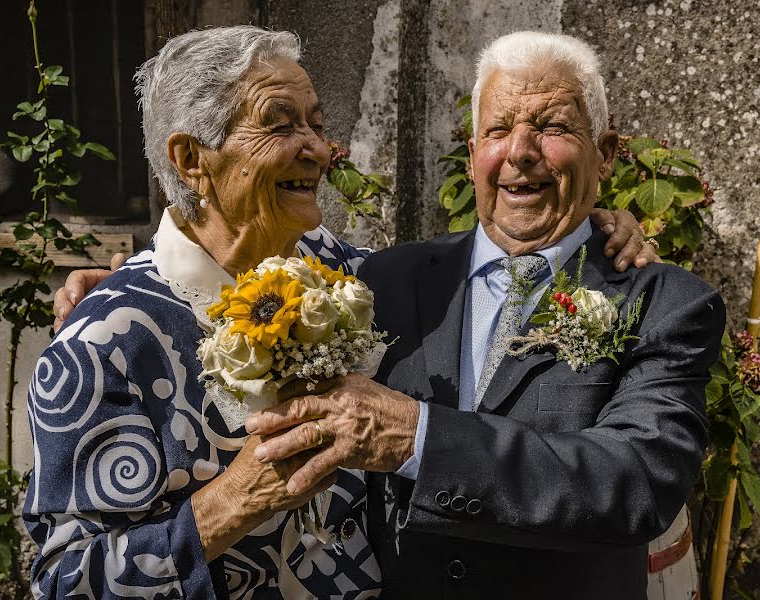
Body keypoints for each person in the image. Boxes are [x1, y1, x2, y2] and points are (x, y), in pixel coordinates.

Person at [36, 26, 656, 599]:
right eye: (280, 125)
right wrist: (232, 503)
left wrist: (589, 227)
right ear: (192, 159)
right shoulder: (103, 343)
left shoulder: (347, 272)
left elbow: (485, 261)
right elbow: (64, 581)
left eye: (315, 121)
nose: (317, 148)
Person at [245, 32, 724, 599]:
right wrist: (121, 283)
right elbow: (240, 264)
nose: (520, 151)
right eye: (498, 130)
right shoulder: (382, 280)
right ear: (473, 156)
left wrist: (420, 437)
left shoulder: (665, 303)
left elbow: (637, 483)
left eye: (552, 127)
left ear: (606, 152)